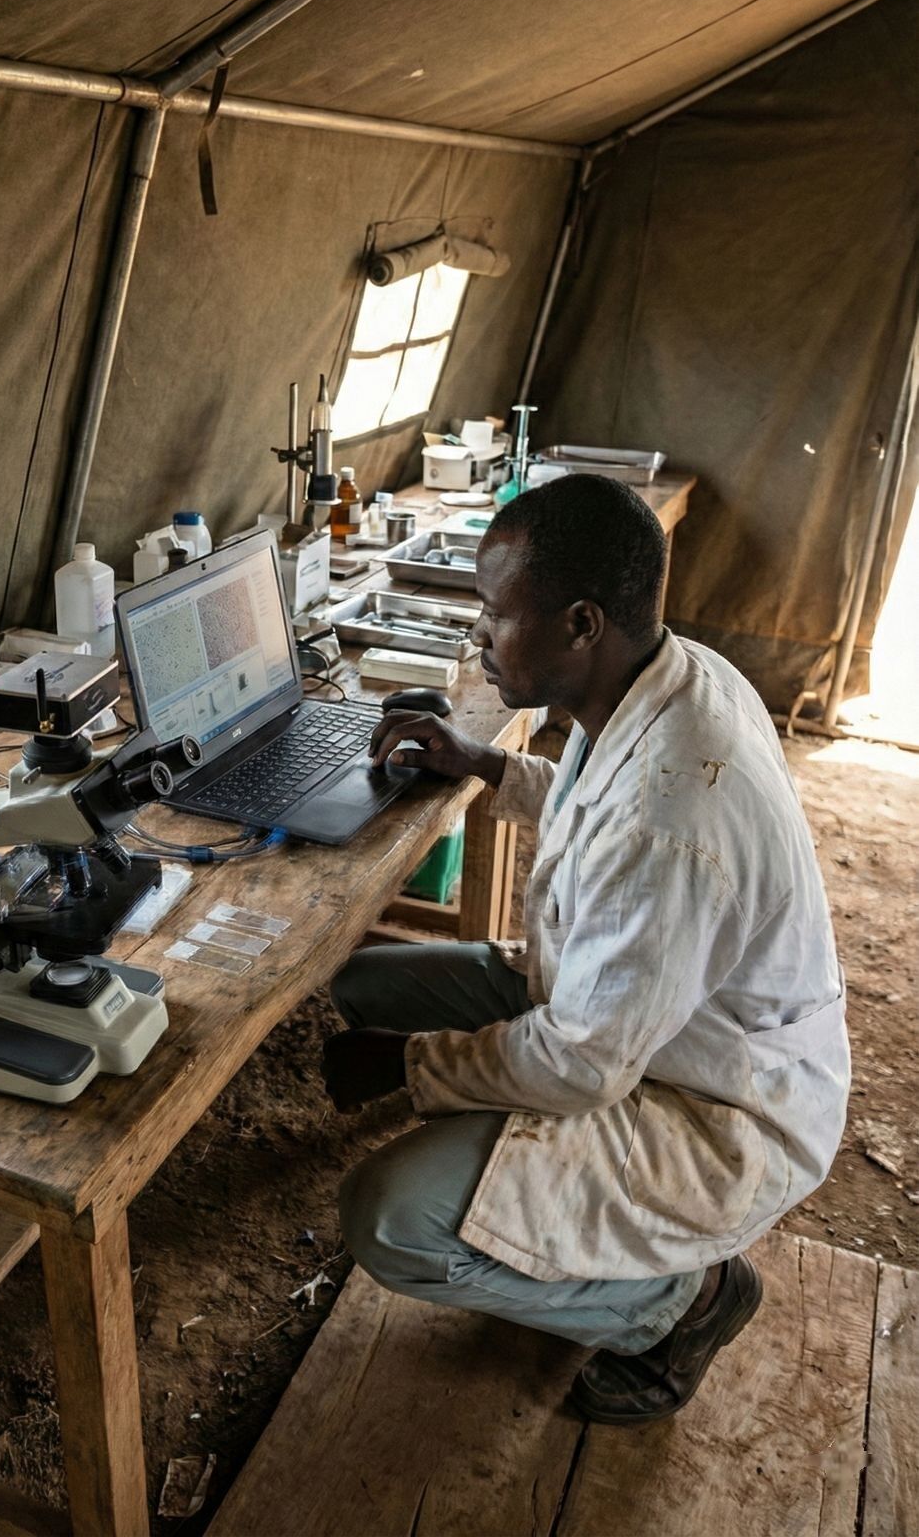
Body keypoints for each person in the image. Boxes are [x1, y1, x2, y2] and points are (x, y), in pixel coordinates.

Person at [323, 474, 849, 1424]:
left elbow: (581, 1065)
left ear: (578, 625)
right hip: (626, 1018)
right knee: (360, 981)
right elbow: (590, 804)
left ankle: (674, 1303)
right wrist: (483, 763)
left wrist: (414, 1070)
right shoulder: (665, 675)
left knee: (389, 1222)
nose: (477, 637)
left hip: (709, 1105)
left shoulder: (672, 819)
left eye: (493, 615)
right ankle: (557, 1238)